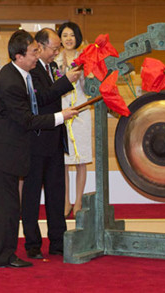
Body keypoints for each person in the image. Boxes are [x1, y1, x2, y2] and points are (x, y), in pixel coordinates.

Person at [0, 30, 79, 268]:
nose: (36, 56)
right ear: (19, 56)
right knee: (9, 206)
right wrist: (61, 116)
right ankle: (4, 256)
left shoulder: (18, 74)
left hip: (3, 150)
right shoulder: (11, 81)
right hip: (2, 152)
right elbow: (27, 120)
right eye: (33, 52)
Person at [21, 28, 82, 259]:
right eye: (53, 48)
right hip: (36, 141)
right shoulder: (31, 69)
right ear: (40, 46)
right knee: (32, 195)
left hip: (56, 140)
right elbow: (41, 98)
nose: (56, 53)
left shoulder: (54, 68)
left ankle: (58, 242)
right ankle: (33, 244)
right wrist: (66, 82)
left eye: (58, 49)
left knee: (57, 195)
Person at [55, 22, 93, 217]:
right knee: (63, 161)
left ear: (77, 37)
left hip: (82, 111)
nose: (68, 39)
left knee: (81, 161)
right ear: (60, 39)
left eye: (72, 35)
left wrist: (88, 74)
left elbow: (91, 88)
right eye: (64, 35)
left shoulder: (86, 59)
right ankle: (65, 202)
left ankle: (78, 201)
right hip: (61, 111)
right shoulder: (54, 60)